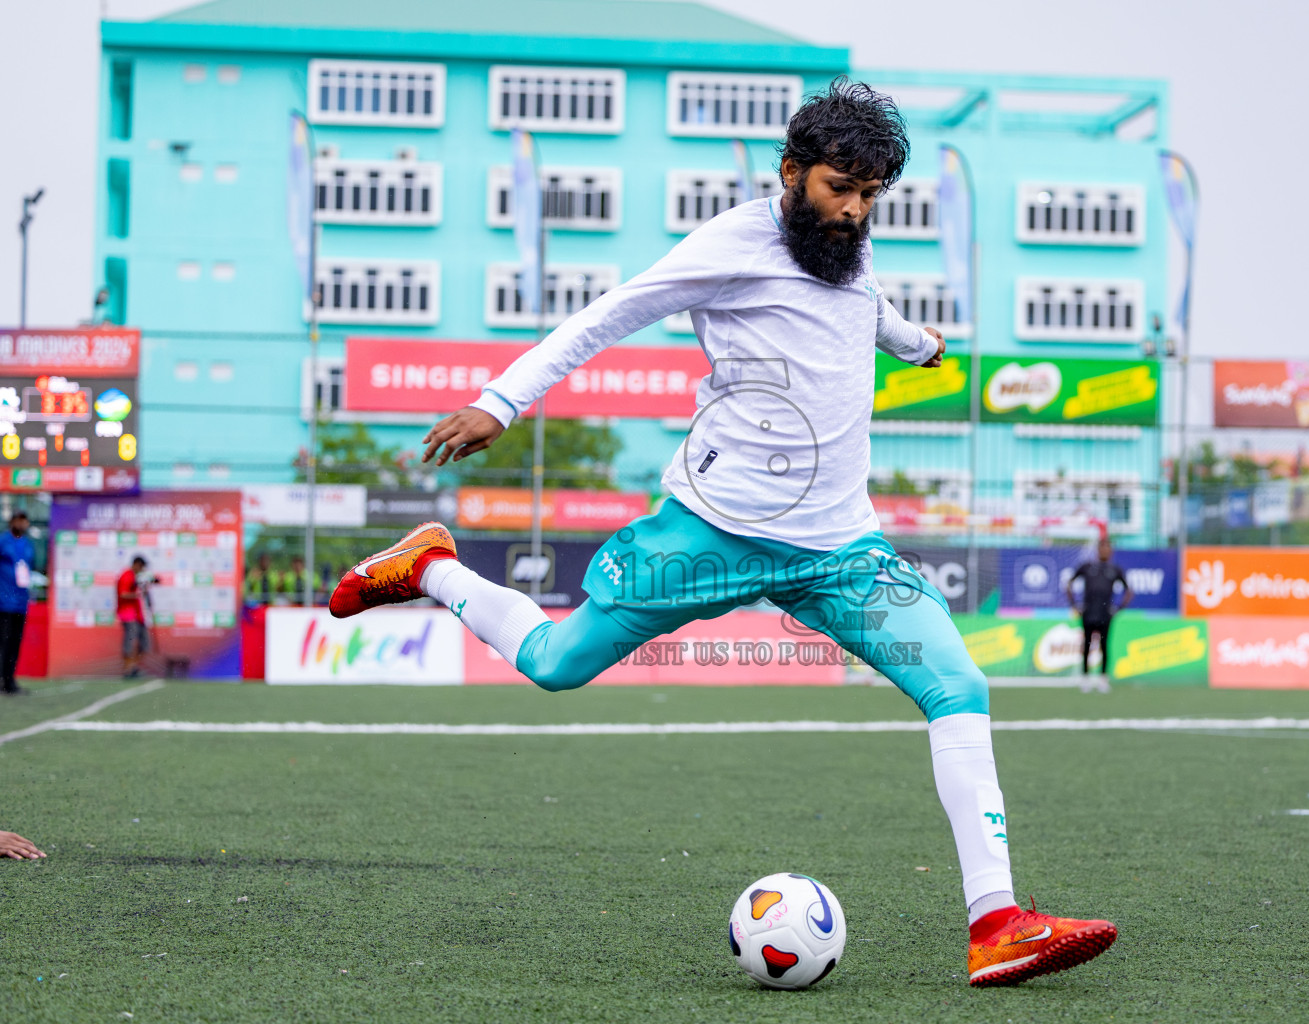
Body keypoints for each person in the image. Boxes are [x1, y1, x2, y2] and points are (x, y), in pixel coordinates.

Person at [330, 80, 1116, 987]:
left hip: (840, 551)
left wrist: (916, 345)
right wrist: (499, 401)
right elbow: (606, 315)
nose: (854, 210)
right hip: (712, 532)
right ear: (791, 173)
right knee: (554, 663)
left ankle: (999, 923)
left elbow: (866, 308)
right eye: (837, 188)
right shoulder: (733, 244)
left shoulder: (847, 247)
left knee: (959, 683)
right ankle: (431, 568)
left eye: (869, 195)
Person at [1068, 537, 1134, 678]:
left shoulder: (1114, 570)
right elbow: (1069, 584)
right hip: (1088, 612)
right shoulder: (1088, 567)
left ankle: (1103, 677)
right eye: (1102, 547)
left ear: (1111, 551)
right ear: (1098, 549)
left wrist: (1118, 608)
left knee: (1104, 644)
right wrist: (1075, 605)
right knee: (1087, 643)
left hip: (1105, 614)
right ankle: (1085, 677)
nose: (1105, 550)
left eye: (1108, 547)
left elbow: (1129, 591)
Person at [0, 510, 34, 695]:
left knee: (14, 644)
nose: (22, 524)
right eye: (18, 520)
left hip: (21, 603)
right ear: (12, 521)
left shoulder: (28, 545)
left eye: (24, 521)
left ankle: (9, 681)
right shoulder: (3, 541)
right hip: (3, 602)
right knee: (2, 644)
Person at [117, 556, 154, 679]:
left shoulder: (136, 577)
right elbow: (123, 594)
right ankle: (127, 670)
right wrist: (137, 593)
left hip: (139, 615)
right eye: (141, 567)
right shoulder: (126, 575)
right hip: (128, 615)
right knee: (130, 642)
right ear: (137, 564)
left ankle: (134, 668)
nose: (142, 570)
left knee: (144, 644)